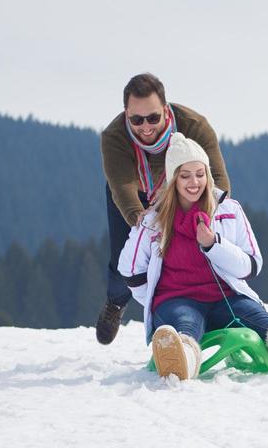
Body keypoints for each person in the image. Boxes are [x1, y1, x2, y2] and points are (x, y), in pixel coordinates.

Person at [120, 133, 268, 381]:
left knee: (260, 320)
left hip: (225, 298)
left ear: (208, 175)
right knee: (184, 324)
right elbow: (131, 272)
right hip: (177, 300)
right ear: (173, 179)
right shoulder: (153, 221)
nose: (194, 182)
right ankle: (181, 361)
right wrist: (154, 299)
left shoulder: (228, 210)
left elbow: (251, 265)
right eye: (185, 175)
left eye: (200, 174)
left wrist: (213, 245)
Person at [96, 72, 230, 345]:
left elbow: (218, 178)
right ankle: (116, 302)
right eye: (136, 120)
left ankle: (200, 309)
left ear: (166, 110)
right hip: (135, 197)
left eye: (153, 118)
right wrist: (139, 219)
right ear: (126, 115)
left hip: (183, 191)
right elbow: (122, 184)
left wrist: (208, 215)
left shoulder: (194, 125)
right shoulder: (114, 136)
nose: (145, 127)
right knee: (126, 260)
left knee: (190, 254)